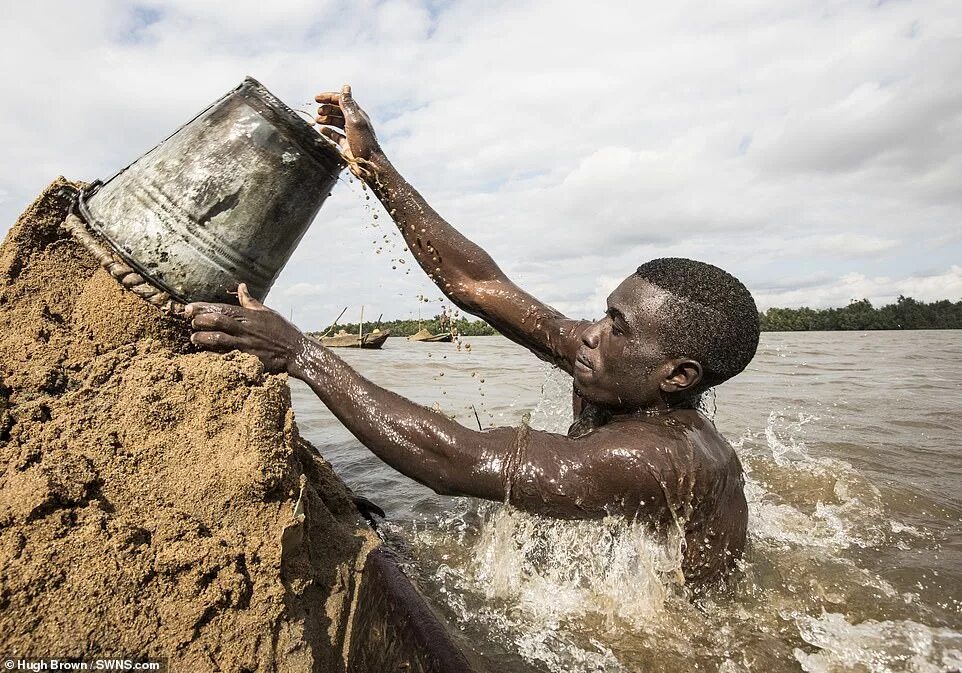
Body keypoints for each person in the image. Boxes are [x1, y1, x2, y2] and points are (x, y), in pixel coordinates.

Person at [186, 85, 760, 590]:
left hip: (692, 626)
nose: (588, 333)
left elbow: (457, 461)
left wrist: (299, 353)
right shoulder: (617, 370)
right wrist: (377, 165)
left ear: (677, 376)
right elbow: (477, 283)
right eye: (604, 314)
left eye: (617, 327)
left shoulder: (656, 454)